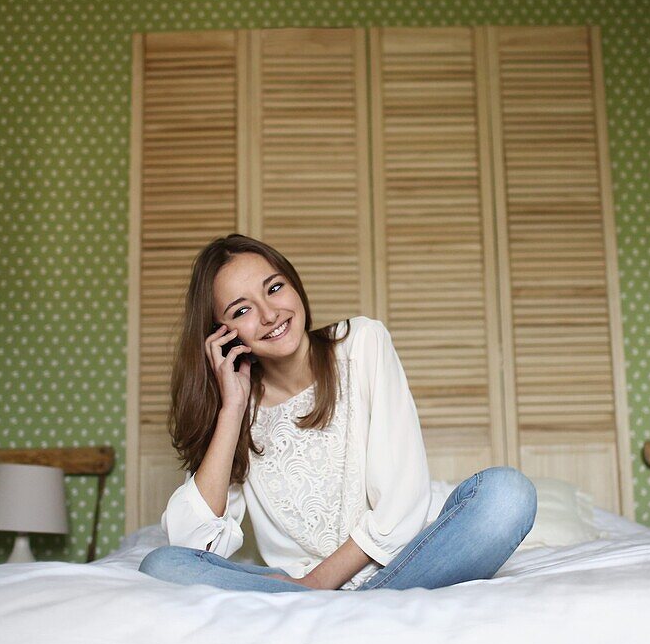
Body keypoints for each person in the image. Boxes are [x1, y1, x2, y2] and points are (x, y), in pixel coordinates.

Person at [139, 234, 536, 592]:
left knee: (507, 495)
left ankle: (333, 606)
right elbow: (194, 543)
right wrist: (232, 409)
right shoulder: (238, 403)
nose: (269, 314)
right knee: (162, 564)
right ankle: (361, 608)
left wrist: (314, 587)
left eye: (274, 288)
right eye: (242, 311)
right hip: (302, 584)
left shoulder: (362, 342)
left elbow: (403, 499)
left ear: (295, 285)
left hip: (407, 562)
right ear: (222, 336)